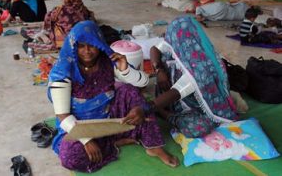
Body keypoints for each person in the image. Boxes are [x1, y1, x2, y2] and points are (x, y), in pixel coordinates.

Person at [48, 20, 179, 172]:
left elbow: (143, 82)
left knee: (130, 92)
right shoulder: (63, 71)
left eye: (91, 45)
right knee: (70, 156)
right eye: (81, 46)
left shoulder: (108, 60)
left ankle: (153, 146)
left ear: (99, 43)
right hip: (77, 126)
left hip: (108, 117)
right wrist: (87, 140)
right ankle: (114, 142)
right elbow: (63, 116)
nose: (87, 51)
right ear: (73, 46)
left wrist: (125, 70)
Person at [149, 16, 237, 138]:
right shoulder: (186, 46)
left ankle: (167, 115)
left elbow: (176, 92)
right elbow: (155, 49)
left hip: (198, 107)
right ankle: (163, 108)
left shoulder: (201, 69)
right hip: (178, 97)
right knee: (163, 58)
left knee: (198, 127)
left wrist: (147, 108)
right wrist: (159, 70)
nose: (168, 40)